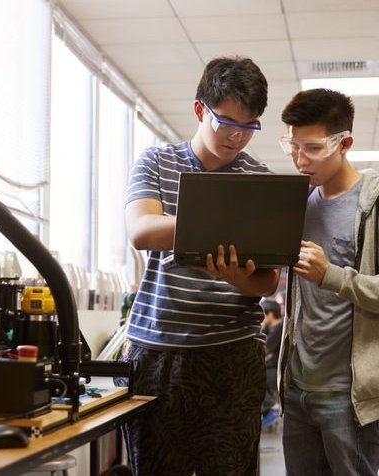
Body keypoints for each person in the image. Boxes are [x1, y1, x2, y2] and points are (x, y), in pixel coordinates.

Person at [121, 56, 278, 475]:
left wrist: (238, 277)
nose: (236, 138)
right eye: (226, 123)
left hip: (232, 354)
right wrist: (214, 223)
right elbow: (140, 230)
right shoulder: (155, 162)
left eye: (249, 127)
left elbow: (268, 281)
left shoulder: (259, 181)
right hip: (158, 352)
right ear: (199, 110)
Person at [277, 88, 379, 475]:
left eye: (311, 148)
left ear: (345, 143)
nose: (298, 158)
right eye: (292, 146)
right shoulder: (297, 204)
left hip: (353, 395)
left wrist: (333, 276)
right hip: (297, 389)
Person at [261, 299, 284, 426]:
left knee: (255, 376)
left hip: (278, 372)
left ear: (270, 314)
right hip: (273, 368)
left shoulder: (278, 328)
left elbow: (264, 348)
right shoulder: (274, 328)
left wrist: (263, 327)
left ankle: (271, 405)